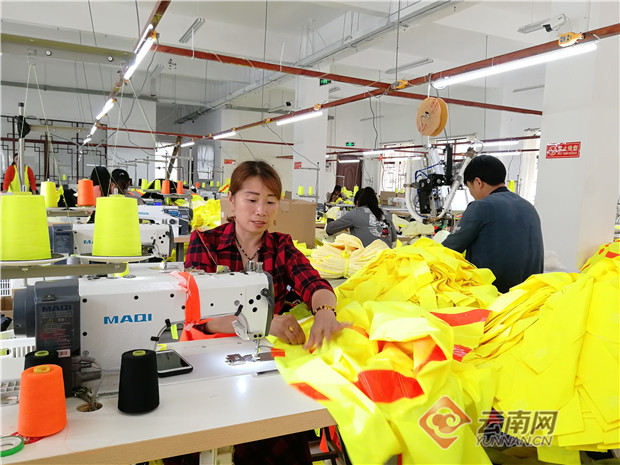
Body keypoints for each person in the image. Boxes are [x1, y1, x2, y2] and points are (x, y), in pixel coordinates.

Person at [183, 160, 349, 465]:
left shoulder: (281, 247)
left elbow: (314, 283)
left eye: (270, 202)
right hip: (210, 361)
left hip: (268, 363)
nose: (261, 210)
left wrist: (326, 311)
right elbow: (200, 316)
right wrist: (264, 323)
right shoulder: (206, 244)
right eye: (251, 199)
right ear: (231, 200)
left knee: (279, 434)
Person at [442, 155, 544, 293]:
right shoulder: (528, 206)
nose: (472, 193)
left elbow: (449, 249)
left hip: (493, 295)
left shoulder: (481, 206)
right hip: (529, 293)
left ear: (478, 182)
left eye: (469, 187)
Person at [325, 186, 397, 247]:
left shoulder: (356, 213)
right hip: (386, 255)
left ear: (357, 202)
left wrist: (330, 221)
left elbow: (330, 229)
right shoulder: (386, 213)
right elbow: (393, 238)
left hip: (365, 256)